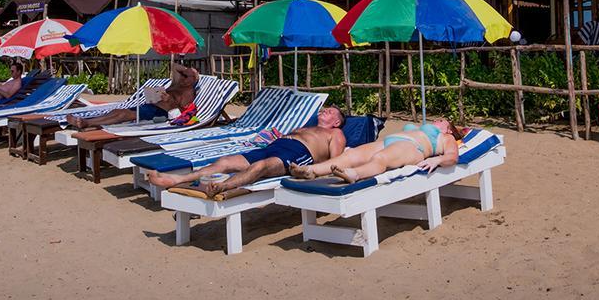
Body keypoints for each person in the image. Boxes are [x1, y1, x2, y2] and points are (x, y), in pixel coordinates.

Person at [146, 107, 347, 196]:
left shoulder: (336, 134)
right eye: (323, 110)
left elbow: (335, 161)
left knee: (260, 167)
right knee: (224, 162)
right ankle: (177, 180)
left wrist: (311, 170)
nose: (323, 111)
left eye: (329, 112)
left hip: (298, 154)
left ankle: (222, 187)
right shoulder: (305, 127)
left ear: (337, 121)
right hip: (275, 147)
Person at [288, 117, 462, 183]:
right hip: (391, 141)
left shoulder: (445, 138)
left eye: (442, 121)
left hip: (412, 148)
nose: (437, 119)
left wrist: (436, 160)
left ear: (448, 129)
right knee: (351, 154)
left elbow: (453, 157)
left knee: (381, 158)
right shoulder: (419, 127)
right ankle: (311, 170)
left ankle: (354, 174)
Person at [69, 61, 200, 127]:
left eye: (186, 76)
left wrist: (169, 100)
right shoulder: (178, 82)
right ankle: (88, 121)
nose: (182, 77)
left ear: (193, 80)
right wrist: (187, 71)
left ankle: (87, 123)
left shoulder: (189, 92)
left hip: (160, 113)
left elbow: (183, 111)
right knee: (117, 110)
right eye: (183, 74)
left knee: (124, 114)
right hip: (151, 106)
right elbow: (174, 65)